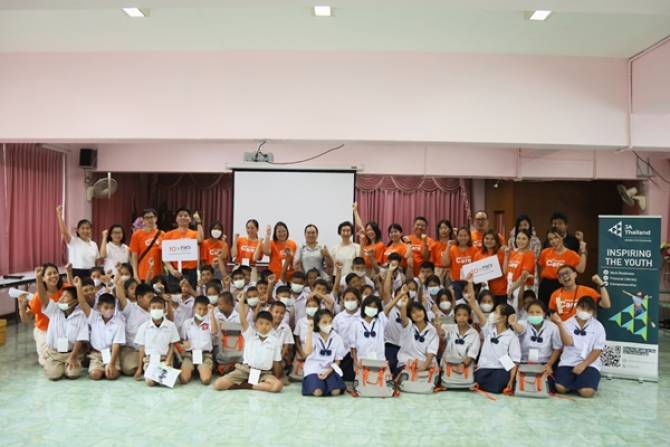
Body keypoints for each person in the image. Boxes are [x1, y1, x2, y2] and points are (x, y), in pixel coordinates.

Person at [213, 291, 284, 393]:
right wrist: (241, 301)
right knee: (218, 384)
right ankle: (253, 384)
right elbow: (242, 319)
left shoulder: (275, 341)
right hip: (245, 370)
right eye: (261, 323)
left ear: (272, 325)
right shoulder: (250, 334)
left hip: (264, 373)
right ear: (256, 324)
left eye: (267, 324)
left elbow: (276, 363)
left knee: (278, 386)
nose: (264, 326)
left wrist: (279, 377)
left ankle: (248, 385)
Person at [35, 266, 88, 380]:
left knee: (73, 374)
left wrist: (73, 356)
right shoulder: (54, 310)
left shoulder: (80, 315)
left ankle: (72, 363)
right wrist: (39, 279)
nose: (61, 299)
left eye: (66, 297)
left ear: (74, 302)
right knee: (54, 375)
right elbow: (43, 296)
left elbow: (80, 339)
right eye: (61, 296)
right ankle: (53, 363)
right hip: (55, 354)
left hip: (72, 353)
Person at [551, 297, 606, 397]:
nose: (585, 312)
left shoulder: (598, 327)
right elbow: (567, 343)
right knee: (560, 388)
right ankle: (576, 382)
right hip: (568, 362)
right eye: (582, 308)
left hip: (589, 364)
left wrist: (584, 365)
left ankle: (583, 383)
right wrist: (560, 324)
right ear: (577, 307)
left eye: (589, 310)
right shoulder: (567, 324)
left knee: (587, 392)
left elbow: (597, 350)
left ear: (593, 312)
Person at [73, 278, 125, 380]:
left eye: (112, 308)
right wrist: (78, 287)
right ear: (99, 307)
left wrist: (112, 363)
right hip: (96, 354)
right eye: (106, 307)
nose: (109, 310)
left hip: (111, 354)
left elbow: (116, 345)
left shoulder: (119, 323)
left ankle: (111, 368)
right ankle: (100, 368)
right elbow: (83, 303)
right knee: (95, 375)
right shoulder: (94, 317)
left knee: (111, 375)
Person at [469, 296, 520, 394]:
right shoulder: (489, 328)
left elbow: (515, 361)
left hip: (500, 369)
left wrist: (511, 381)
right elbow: (478, 312)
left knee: (497, 385)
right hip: (484, 367)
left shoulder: (512, 336)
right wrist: (472, 303)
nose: (493, 314)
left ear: (504, 318)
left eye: (496, 312)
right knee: (475, 380)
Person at [20, 263, 65, 367]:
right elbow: (26, 319)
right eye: (49, 274)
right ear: (43, 278)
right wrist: (21, 307)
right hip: (44, 331)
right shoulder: (37, 297)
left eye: (55, 272)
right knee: (47, 362)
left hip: (61, 330)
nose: (53, 276)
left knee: (63, 354)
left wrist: (69, 273)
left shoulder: (65, 289)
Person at [134, 296, 180, 386]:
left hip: (164, 359)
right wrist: (139, 368)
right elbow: (142, 348)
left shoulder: (171, 326)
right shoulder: (144, 327)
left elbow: (172, 345)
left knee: (168, 382)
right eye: (154, 307)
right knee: (149, 382)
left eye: (159, 308)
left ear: (164, 309)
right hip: (150, 360)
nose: (156, 310)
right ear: (149, 309)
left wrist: (168, 361)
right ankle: (151, 375)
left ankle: (161, 375)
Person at [302, 309, 347, 396]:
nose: (328, 324)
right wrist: (309, 331)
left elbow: (338, 360)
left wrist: (329, 370)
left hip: (329, 369)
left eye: (330, 322)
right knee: (318, 392)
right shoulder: (312, 335)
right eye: (324, 322)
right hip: (313, 369)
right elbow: (307, 352)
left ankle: (326, 384)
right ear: (317, 323)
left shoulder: (337, 337)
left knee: (335, 392)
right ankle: (318, 384)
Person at [537, 227, 587, 305]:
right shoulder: (545, 252)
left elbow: (581, 270)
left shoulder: (571, 254)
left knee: (560, 309)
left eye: (556, 237)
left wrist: (583, 252)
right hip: (546, 285)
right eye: (550, 239)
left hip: (563, 285)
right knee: (543, 308)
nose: (553, 241)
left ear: (562, 237)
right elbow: (542, 267)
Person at [514, 300, 561, 377]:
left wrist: (549, 365)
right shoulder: (521, 324)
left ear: (544, 313)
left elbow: (557, 348)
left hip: (544, 362)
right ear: (527, 313)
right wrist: (514, 324)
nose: (534, 315)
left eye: (538, 312)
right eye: (531, 312)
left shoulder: (552, 327)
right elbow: (517, 332)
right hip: (523, 362)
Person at [162, 207, 204, 292]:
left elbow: (201, 239)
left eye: (186, 215)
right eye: (180, 215)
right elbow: (165, 256)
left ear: (190, 219)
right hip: (175, 271)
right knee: (174, 296)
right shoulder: (168, 235)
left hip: (191, 271)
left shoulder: (194, 233)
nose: (183, 217)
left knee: (190, 295)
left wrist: (199, 222)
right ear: (176, 219)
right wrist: (172, 270)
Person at [180, 295, 219, 385]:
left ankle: (201, 370)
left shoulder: (210, 322)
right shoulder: (187, 323)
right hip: (189, 355)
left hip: (205, 355)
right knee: (183, 379)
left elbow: (214, 331)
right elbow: (182, 340)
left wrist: (211, 313)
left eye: (205, 309)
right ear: (194, 308)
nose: (202, 312)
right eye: (199, 309)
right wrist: (183, 344)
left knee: (206, 380)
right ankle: (191, 369)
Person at [117, 281, 153, 376]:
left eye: (153, 297)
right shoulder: (130, 308)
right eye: (149, 297)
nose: (152, 300)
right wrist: (118, 284)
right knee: (130, 368)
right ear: (140, 298)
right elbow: (121, 297)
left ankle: (146, 364)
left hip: (150, 349)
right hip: (131, 349)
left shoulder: (155, 311)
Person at [437, 303, 481, 379]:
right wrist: (438, 325)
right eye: (459, 315)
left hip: (465, 366)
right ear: (455, 316)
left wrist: (463, 365)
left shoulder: (474, 334)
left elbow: (472, 354)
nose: (461, 318)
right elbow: (442, 333)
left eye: (465, 315)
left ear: (469, 316)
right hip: (447, 365)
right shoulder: (449, 328)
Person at [396, 301, 439, 378]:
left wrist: (424, 366)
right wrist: (403, 306)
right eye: (413, 312)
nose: (417, 313)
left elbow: (431, 352)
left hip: (425, 364)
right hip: (407, 362)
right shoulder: (408, 325)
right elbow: (404, 319)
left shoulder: (432, 330)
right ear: (410, 315)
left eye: (419, 310)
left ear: (424, 311)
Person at [56, 205, 98, 278]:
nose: (85, 230)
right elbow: (64, 232)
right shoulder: (73, 241)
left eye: (88, 228)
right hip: (76, 272)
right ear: (78, 230)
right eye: (83, 228)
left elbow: (96, 261)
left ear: (91, 230)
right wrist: (59, 215)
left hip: (92, 272)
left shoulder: (94, 244)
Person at [332, 288, 362, 381]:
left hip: (360, 355)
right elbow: (334, 337)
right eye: (347, 299)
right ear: (343, 300)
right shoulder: (338, 318)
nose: (350, 301)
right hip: (343, 355)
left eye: (353, 299)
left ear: (358, 300)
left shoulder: (363, 316)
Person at [474, 229, 508, 306]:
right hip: (482, 291)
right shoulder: (478, 254)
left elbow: (505, 271)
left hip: (500, 290)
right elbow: (475, 272)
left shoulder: (502, 253)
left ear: (497, 241)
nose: (489, 241)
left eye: (492, 239)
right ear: (483, 240)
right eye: (487, 238)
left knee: (500, 312)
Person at [129, 208, 163, 283]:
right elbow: (134, 256)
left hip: (158, 273)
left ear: (156, 218)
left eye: (151, 217)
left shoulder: (162, 234)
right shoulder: (136, 235)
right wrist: (135, 274)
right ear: (143, 220)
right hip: (142, 273)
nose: (149, 220)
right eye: (146, 218)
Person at [443, 227, 477, 298]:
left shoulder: (474, 250)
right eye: (460, 235)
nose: (463, 238)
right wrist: (448, 247)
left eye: (465, 235)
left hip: (470, 282)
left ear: (469, 237)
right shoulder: (452, 249)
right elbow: (445, 263)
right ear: (457, 237)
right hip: (456, 282)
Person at [505, 229, 536, 306]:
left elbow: (524, 275)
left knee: (520, 311)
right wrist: (506, 255)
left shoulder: (529, 255)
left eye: (523, 239)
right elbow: (505, 271)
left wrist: (512, 288)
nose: (520, 241)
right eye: (518, 238)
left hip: (522, 287)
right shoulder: (513, 253)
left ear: (529, 241)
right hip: (510, 286)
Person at [352, 202, 385, 271]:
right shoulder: (366, 242)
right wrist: (355, 210)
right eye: (367, 230)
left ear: (376, 231)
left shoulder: (380, 245)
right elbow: (360, 226)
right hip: (362, 269)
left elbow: (378, 265)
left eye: (371, 230)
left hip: (373, 271)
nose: (369, 232)